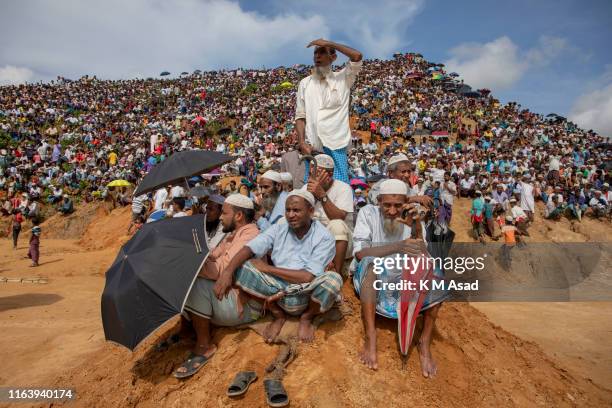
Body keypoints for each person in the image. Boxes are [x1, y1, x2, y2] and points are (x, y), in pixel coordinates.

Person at [214, 190, 342, 343]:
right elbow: (249, 248)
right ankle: (278, 315)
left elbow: (308, 276)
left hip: (307, 293)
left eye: (296, 210)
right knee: (240, 265)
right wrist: (227, 272)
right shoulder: (278, 229)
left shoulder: (324, 236)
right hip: (276, 289)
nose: (291, 215)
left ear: (311, 211)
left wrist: (268, 269)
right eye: (287, 210)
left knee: (333, 280)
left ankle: (307, 317)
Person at [351, 179, 441, 377]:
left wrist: (416, 227)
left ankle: (424, 343)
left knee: (436, 269)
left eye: (398, 205)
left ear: (406, 204)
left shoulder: (413, 217)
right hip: (373, 279)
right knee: (370, 263)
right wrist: (398, 246)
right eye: (387, 205)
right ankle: (370, 336)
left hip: (403, 279)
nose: (392, 211)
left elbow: (422, 253)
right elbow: (360, 254)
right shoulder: (367, 213)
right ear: (379, 201)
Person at [176, 194, 261, 379]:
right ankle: (187, 329)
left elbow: (220, 269)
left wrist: (191, 266)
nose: (221, 217)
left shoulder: (250, 234)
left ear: (238, 216)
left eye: (224, 212)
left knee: (194, 284)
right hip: (228, 299)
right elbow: (214, 256)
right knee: (184, 277)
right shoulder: (232, 234)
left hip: (247, 308)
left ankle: (204, 345)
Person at [295, 38, 363, 184]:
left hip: (336, 144)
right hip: (313, 146)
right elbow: (300, 116)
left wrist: (329, 44)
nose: (317, 56)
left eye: (322, 52)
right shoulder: (305, 83)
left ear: (333, 57)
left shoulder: (344, 78)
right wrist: (301, 142)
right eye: (315, 53)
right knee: (312, 189)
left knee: (339, 187)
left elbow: (357, 56)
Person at [303, 154, 354, 273]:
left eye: (316, 173)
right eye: (310, 173)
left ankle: (336, 273)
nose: (311, 177)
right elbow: (301, 216)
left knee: (337, 225)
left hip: (339, 243)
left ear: (329, 175)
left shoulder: (343, 188)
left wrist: (322, 195)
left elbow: (339, 217)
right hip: (314, 241)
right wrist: (311, 195)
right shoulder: (305, 188)